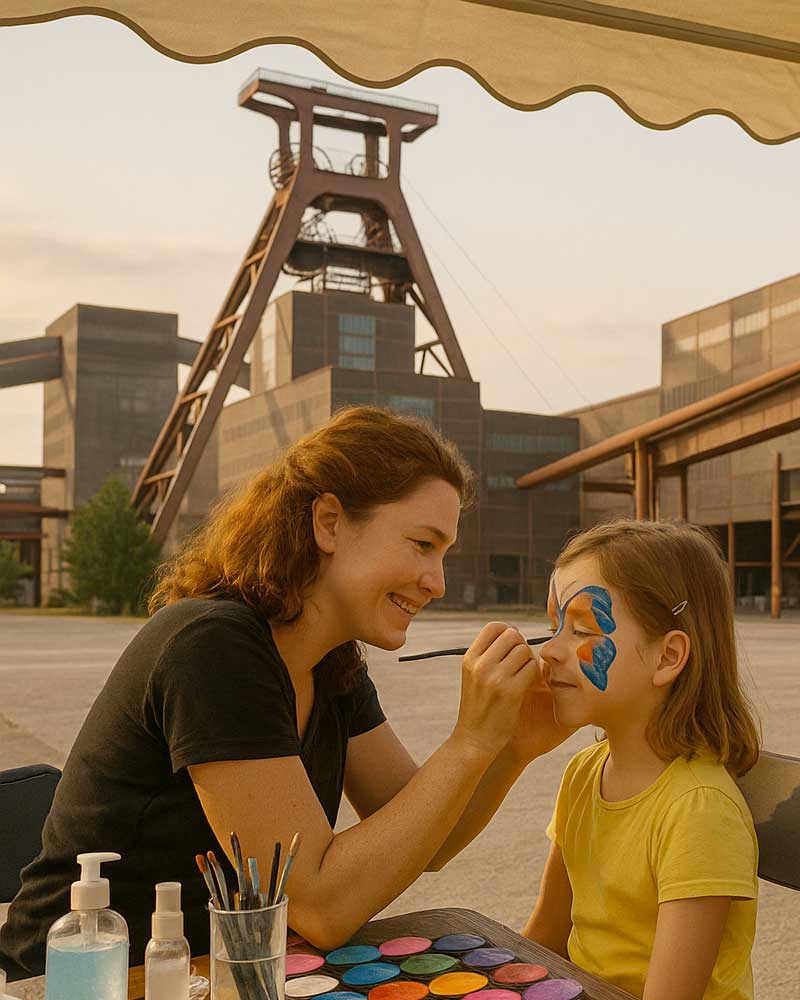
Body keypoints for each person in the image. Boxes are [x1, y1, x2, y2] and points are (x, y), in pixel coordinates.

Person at [0, 406, 572, 978]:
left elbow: (428, 836)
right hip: (79, 983)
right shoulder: (214, 647)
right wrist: (468, 742)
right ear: (328, 522)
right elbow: (319, 905)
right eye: (423, 544)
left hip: (215, 977)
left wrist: (511, 746)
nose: (437, 581)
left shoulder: (331, 662)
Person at [522, 519, 761, 1000]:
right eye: (553, 629)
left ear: (668, 657)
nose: (548, 652)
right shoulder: (584, 774)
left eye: (582, 629)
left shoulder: (700, 811)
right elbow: (541, 945)